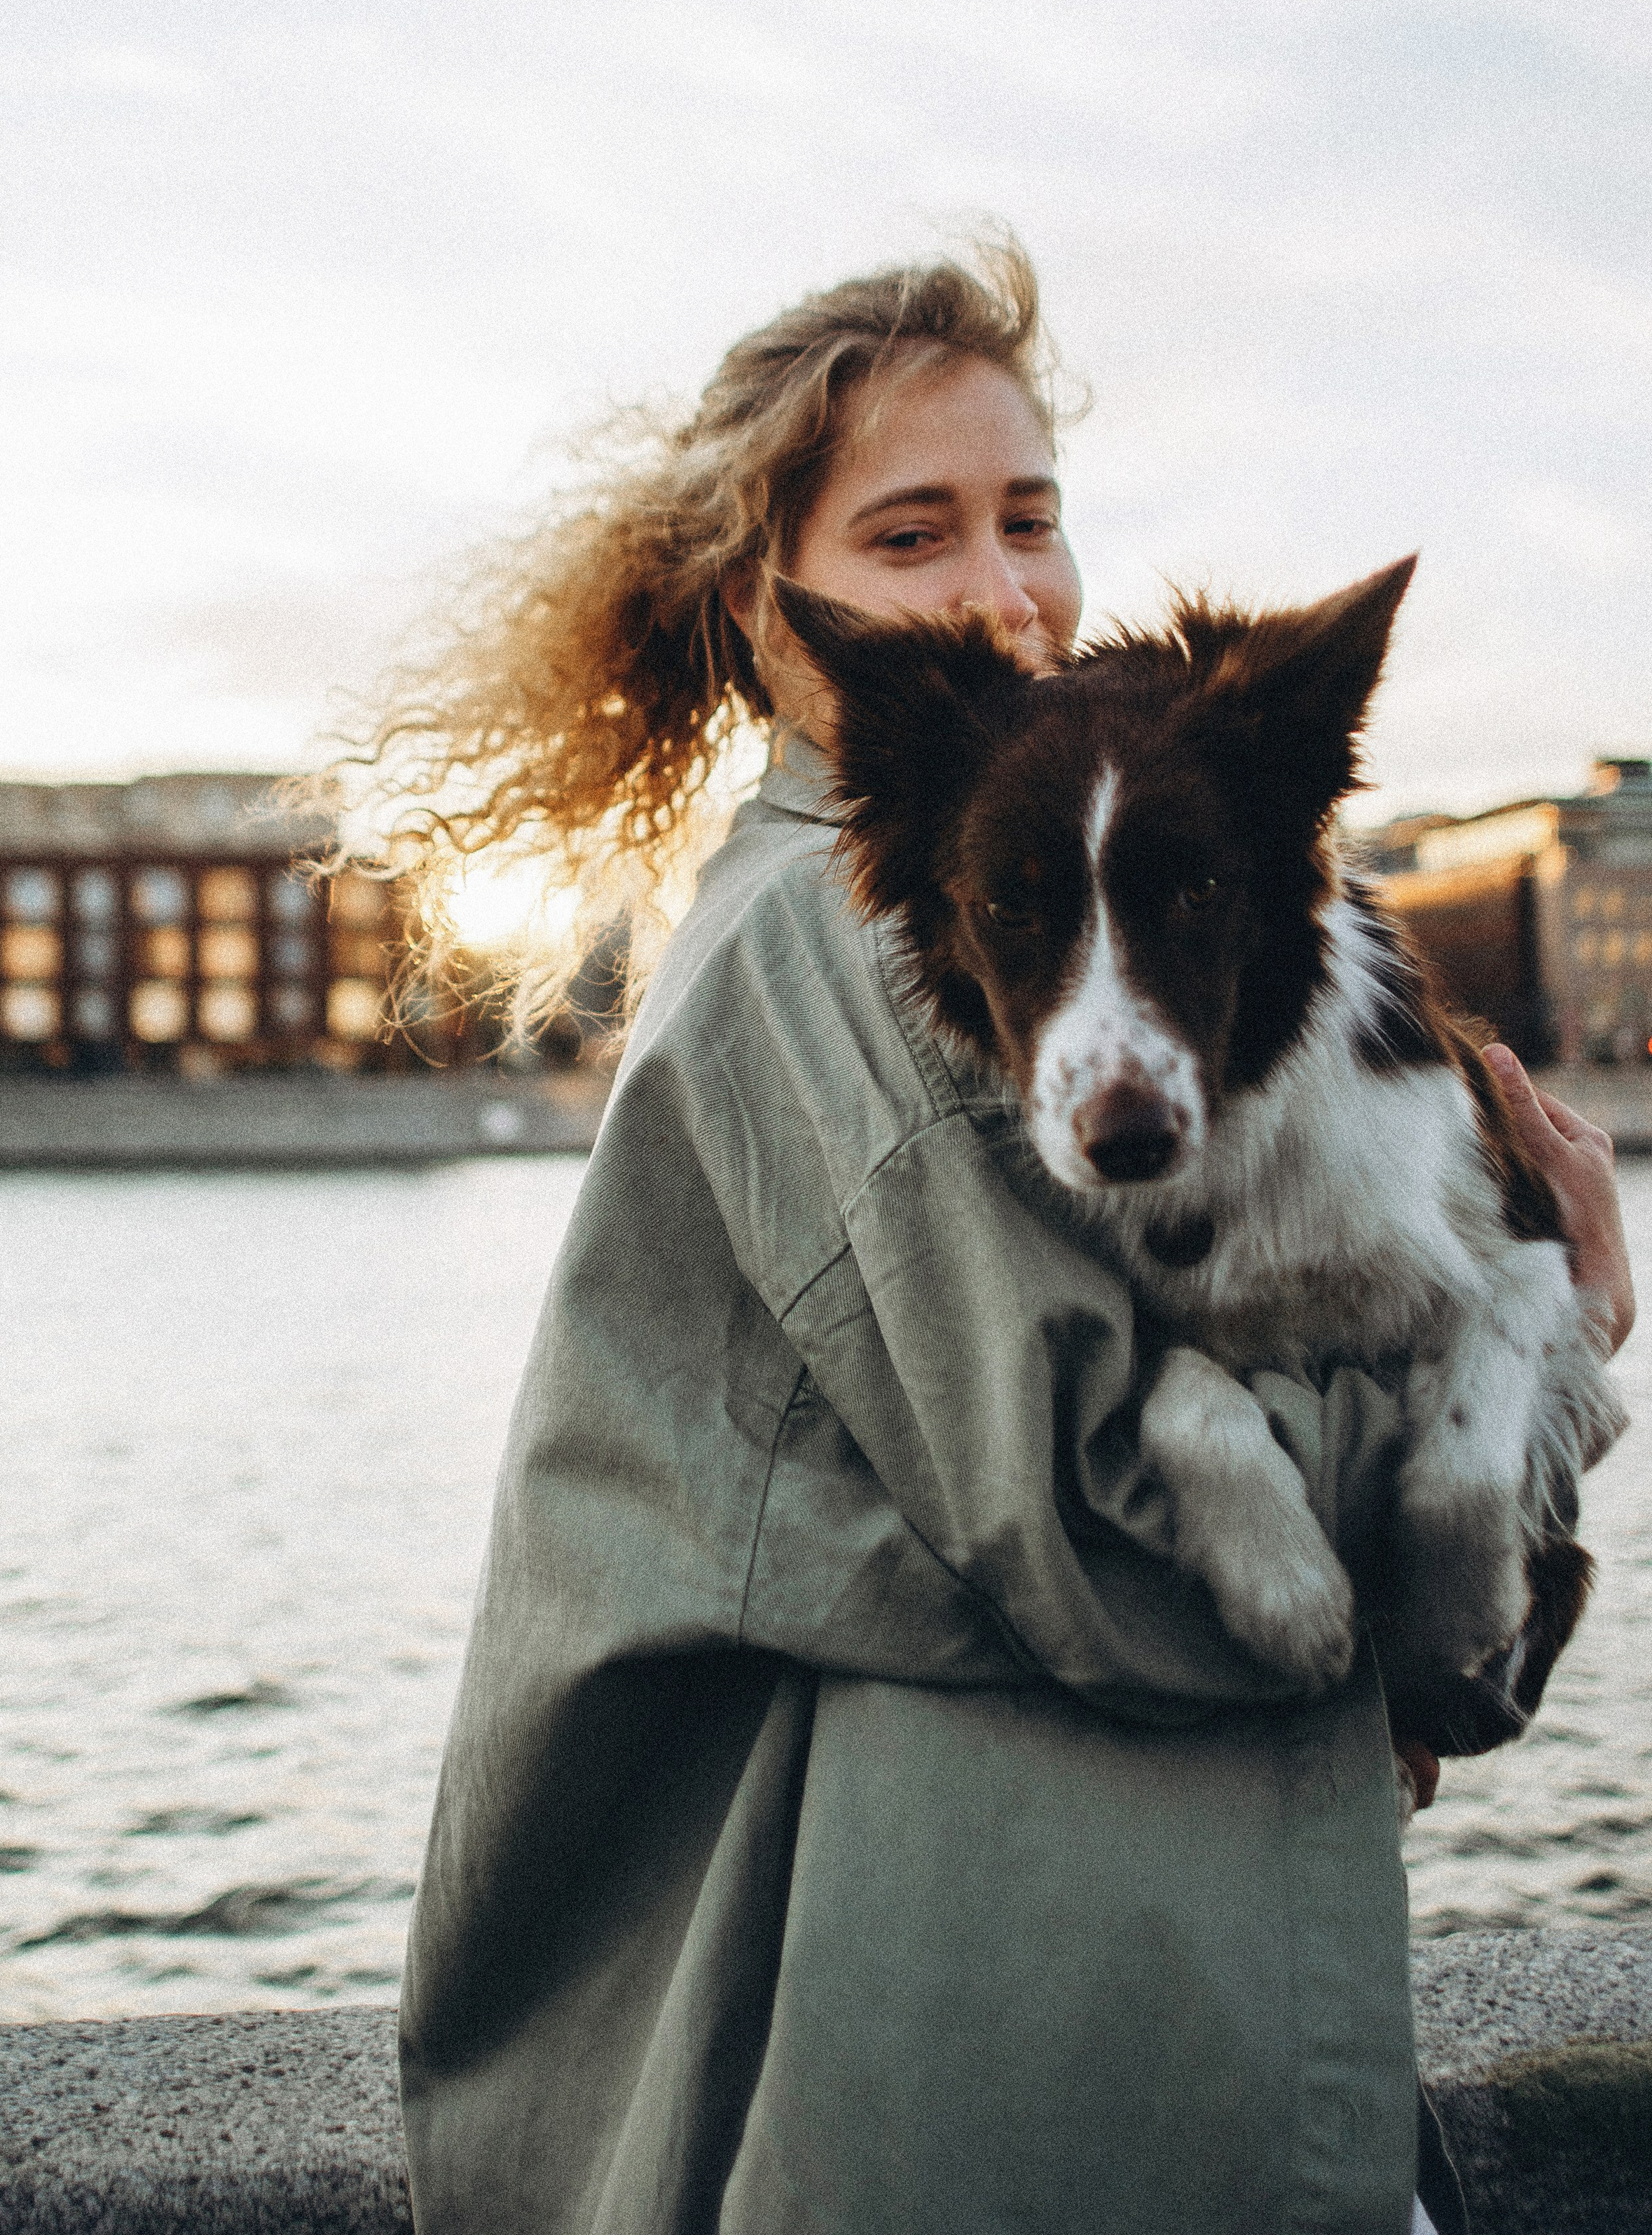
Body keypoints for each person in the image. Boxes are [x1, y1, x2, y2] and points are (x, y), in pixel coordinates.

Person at [378, 242, 1634, 2235]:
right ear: (765, 611)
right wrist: (1567, 1346)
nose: (1003, 589)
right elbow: (1127, 1541)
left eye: (1030, 518)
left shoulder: (977, 910)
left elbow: (1389, 1644)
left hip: (1100, 2031)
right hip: (997, 2081)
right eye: (911, 530)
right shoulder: (845, 942)